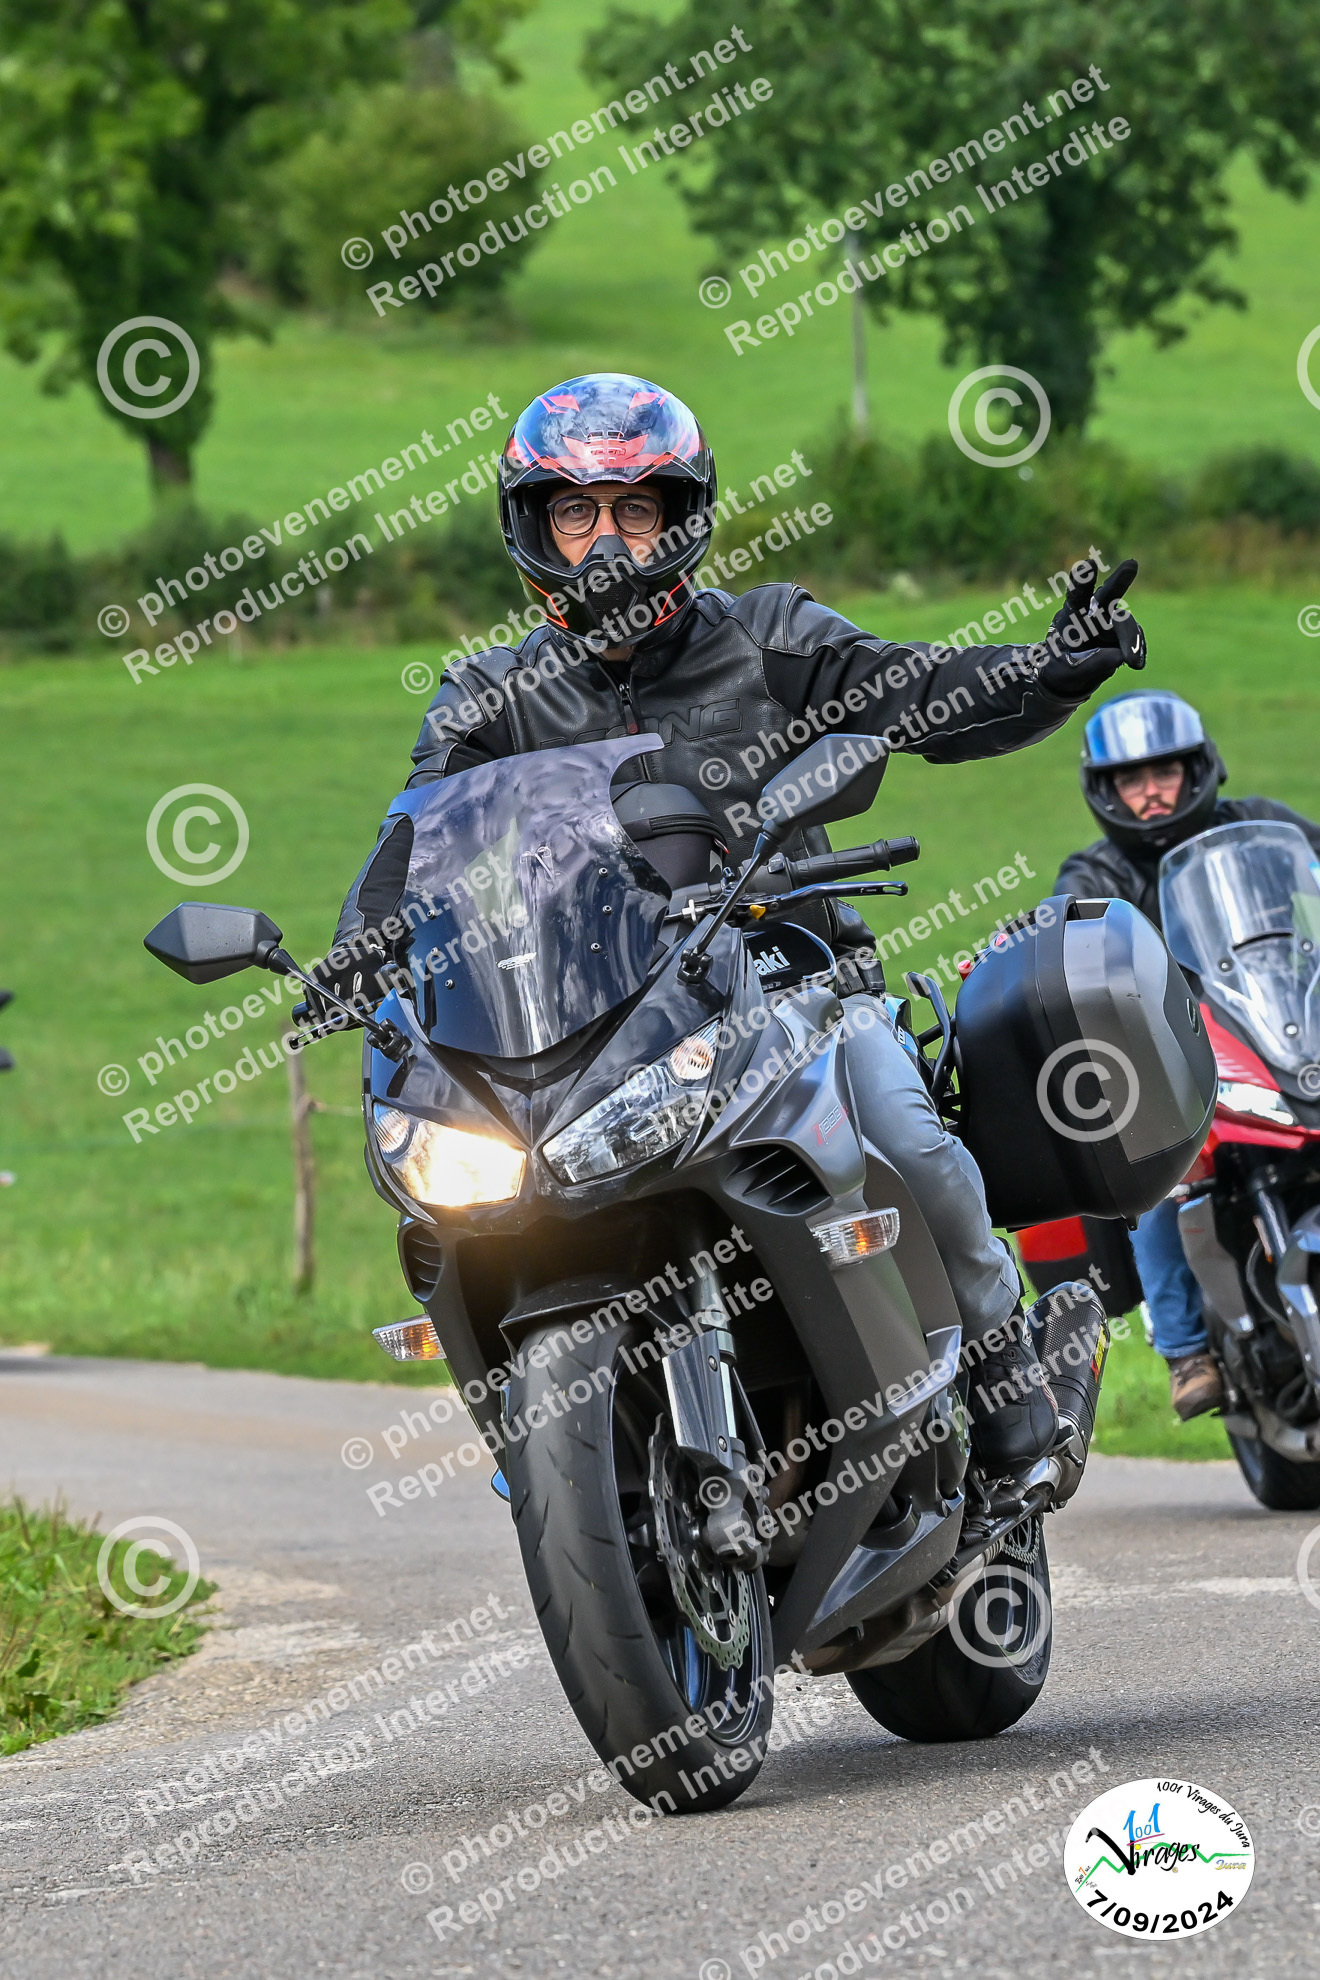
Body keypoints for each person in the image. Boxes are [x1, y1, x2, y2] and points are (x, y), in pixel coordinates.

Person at [322, 372, 1151, 1473]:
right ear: (534, 528)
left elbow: (924, 694)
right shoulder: (492, 696)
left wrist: (1049, 670)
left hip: (793, 988)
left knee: (909, 1141)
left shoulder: (767, 636)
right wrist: (357, 952)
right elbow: (411, 843)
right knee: (475, 1195)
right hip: (598, 1024)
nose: (605, 542)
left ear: (680, 517)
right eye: (576, 513)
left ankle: (1008, 1391)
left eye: (633, 509)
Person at [1056, 687, 1320, 1420]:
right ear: (1105, 790)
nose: (1150, 791)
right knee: (1165, 1173)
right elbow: (1063, 944)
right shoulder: (1096, 875)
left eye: (1164, 772)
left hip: (1278, 1028)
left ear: (1197, 769)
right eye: (1131, 779)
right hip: (1173, 1057)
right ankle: (1185, 1350)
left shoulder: (1263, 827)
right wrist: (1035, 942)